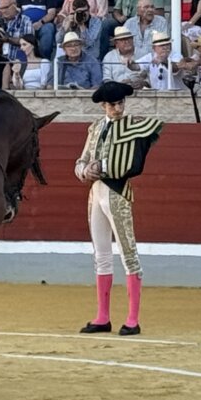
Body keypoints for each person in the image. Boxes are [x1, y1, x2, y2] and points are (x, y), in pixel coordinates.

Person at [74, 81, 165, 336]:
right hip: (96, 194)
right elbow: (81, 160)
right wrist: (84, 170)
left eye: (121, 103)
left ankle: (132, 319)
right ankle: (102, 317)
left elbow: (154, 128)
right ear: (103, 105)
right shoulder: (94, 129)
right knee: (101, 255)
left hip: (118, 194)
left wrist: (100, 167)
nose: (118, 108)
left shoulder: (132, 126)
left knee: (128, 254)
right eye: (113, 104)